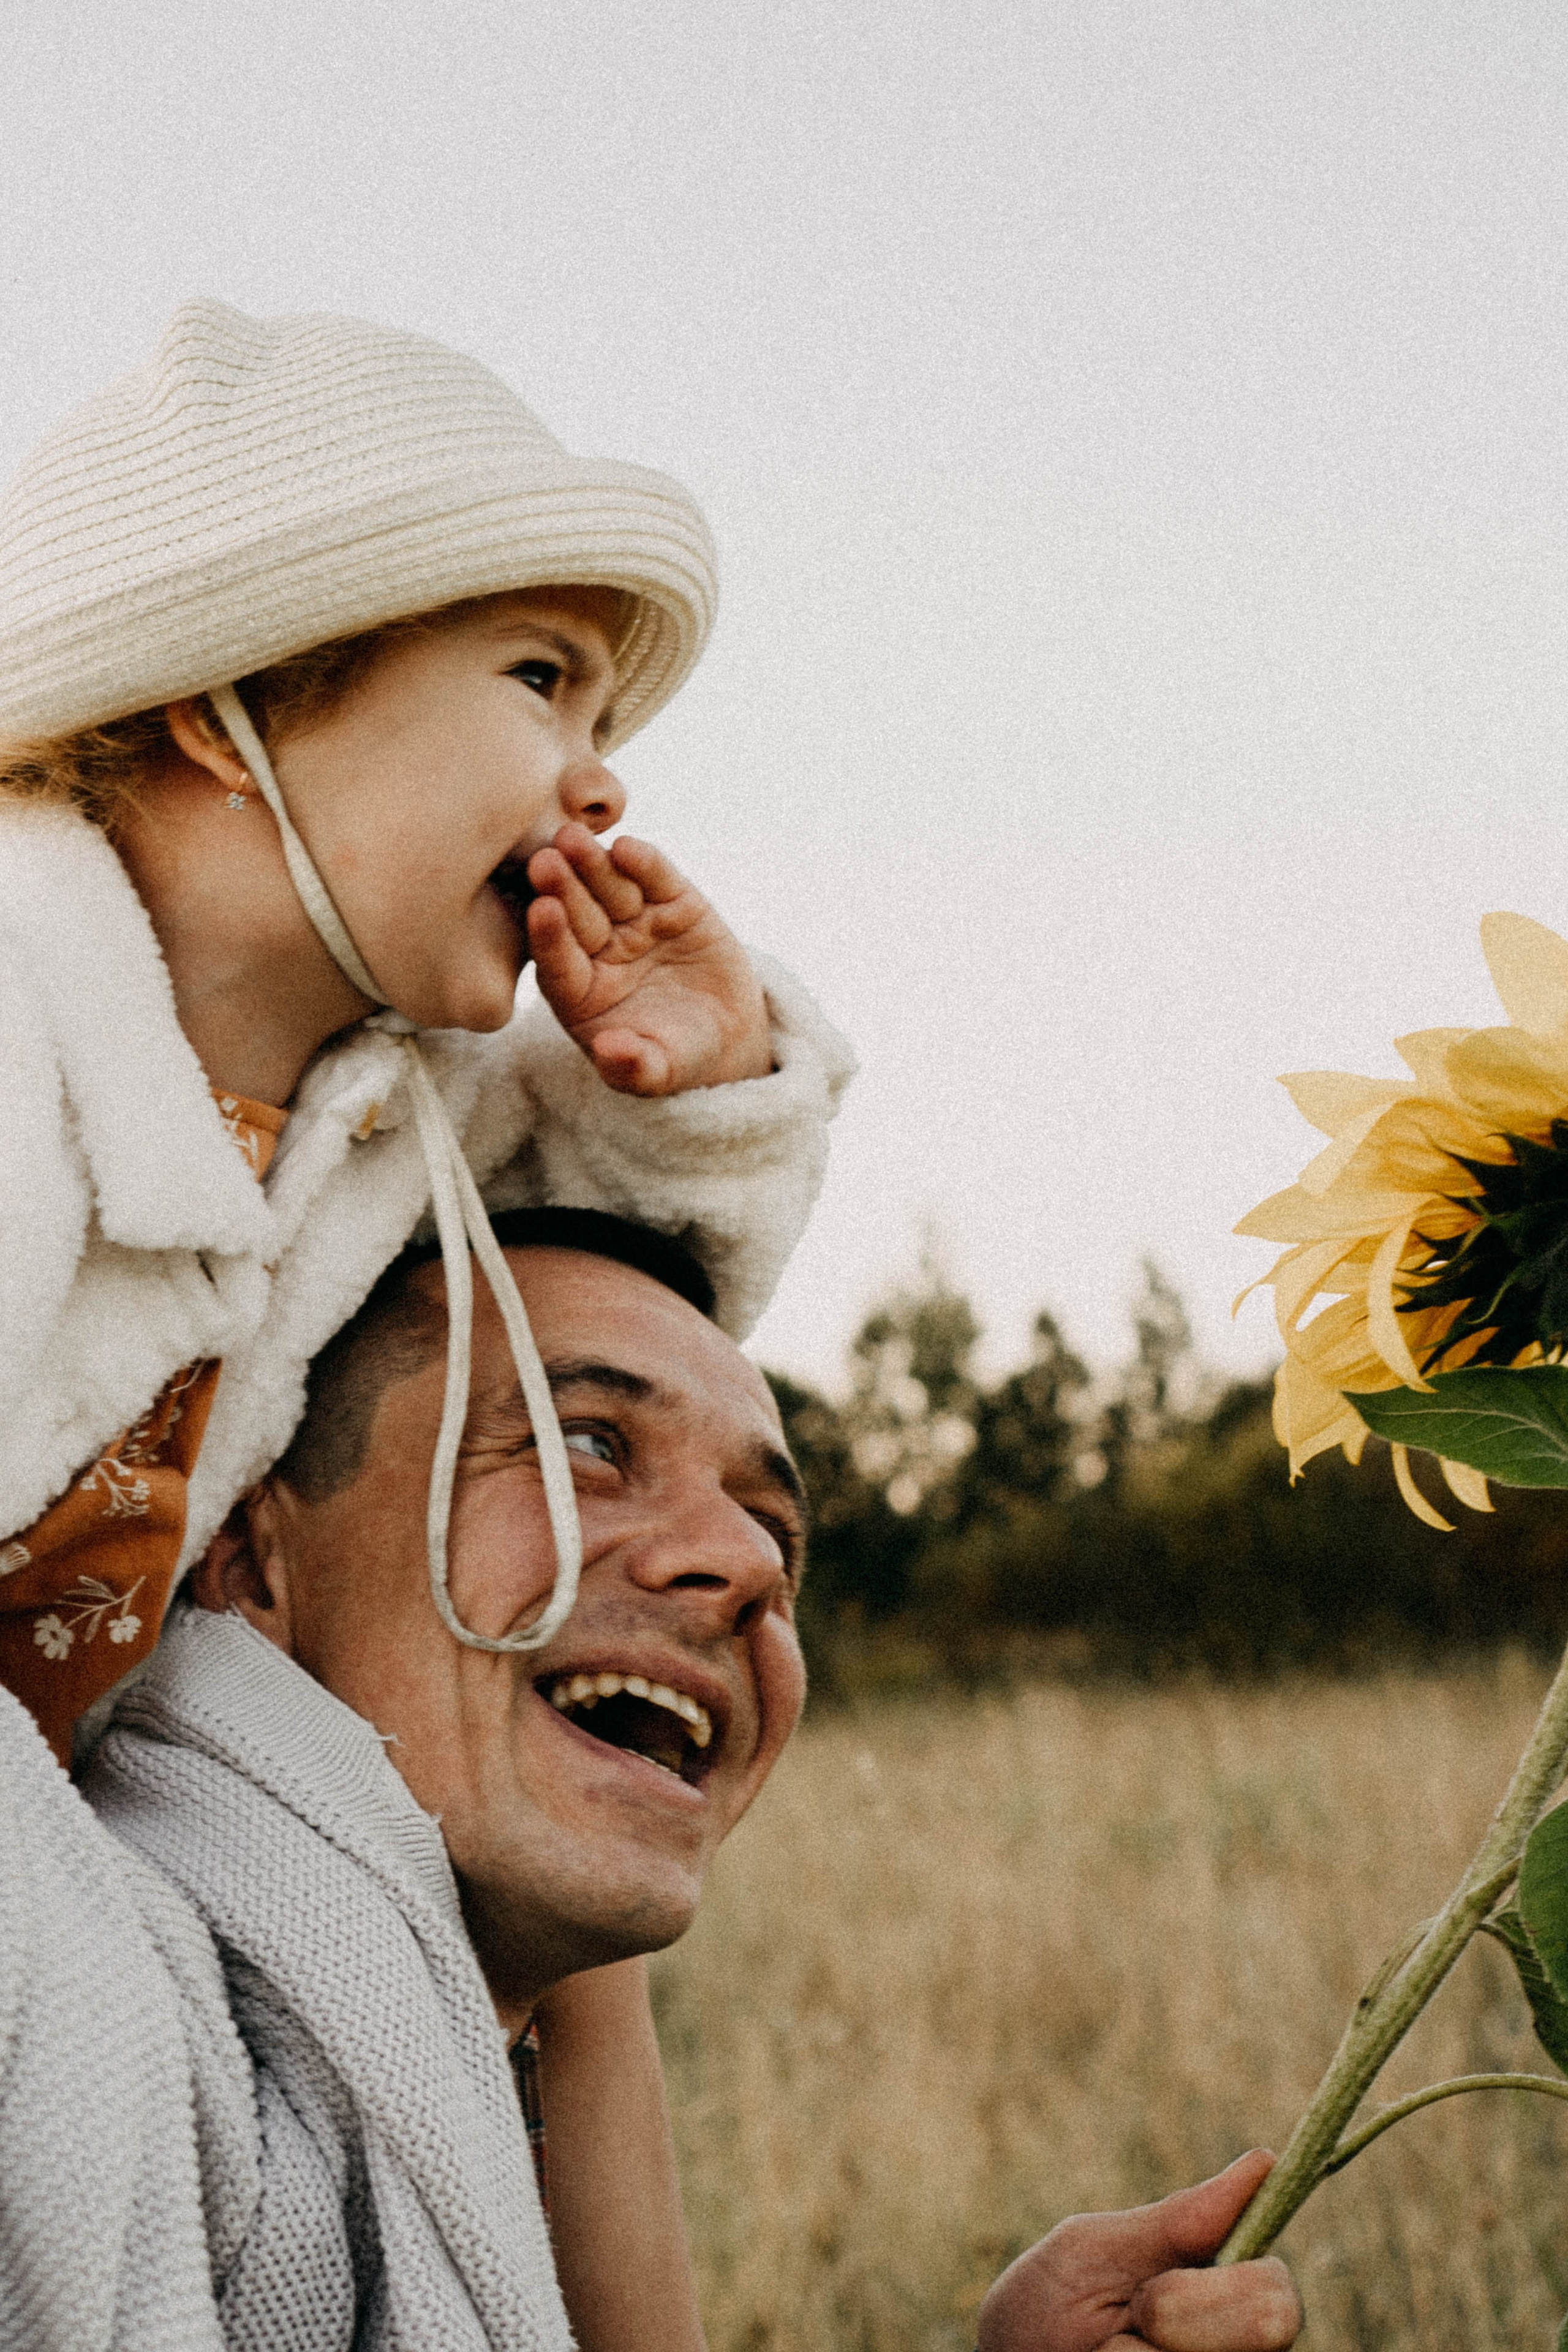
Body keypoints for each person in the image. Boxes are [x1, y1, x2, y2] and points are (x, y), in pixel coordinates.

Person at [0, 300, 852, 2348]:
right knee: (87, 2023)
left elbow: (595, 1287)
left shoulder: (384, 1104)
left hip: (75, 1819)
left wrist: (702, 1080)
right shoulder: (22, 1010)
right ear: (232, 707)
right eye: (541, 683)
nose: (593, 789)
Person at [0, 1212, 1302, 2350]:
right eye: (587, 1444)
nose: (742, 1564)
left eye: (775, 1530)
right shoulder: (46, 1981)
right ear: (245, 1556)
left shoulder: (485, 2062)